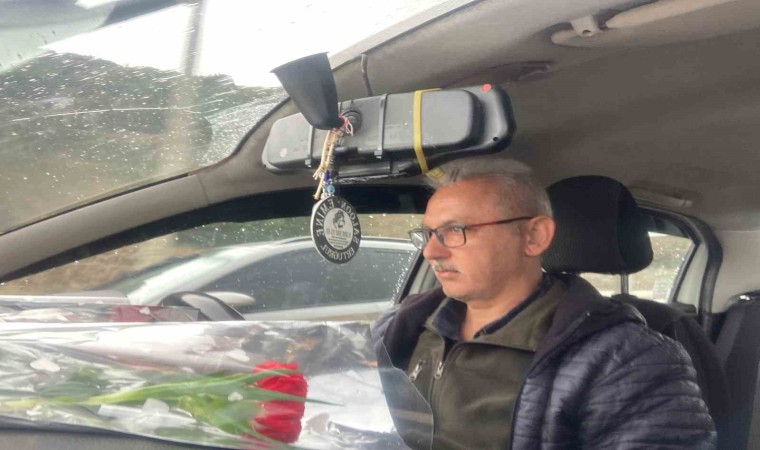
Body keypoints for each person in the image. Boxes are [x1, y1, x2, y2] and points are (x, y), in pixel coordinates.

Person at [373, 157, 716, 449]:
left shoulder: (628, 361)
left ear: (534, 236)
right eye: (428, 234)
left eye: (455, 230)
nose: (431, 252)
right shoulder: (401, 325)